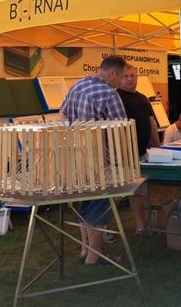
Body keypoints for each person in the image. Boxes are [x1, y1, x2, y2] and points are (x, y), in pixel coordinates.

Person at [60, 55, 127, 265]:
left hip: (76, 158)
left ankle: (85, 250)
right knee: (99, 204)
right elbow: (121, 127)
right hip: (99, 158)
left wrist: (73, 136)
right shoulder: (109, 93)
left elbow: (63, 114)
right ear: (112, 73)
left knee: (84, 202)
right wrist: (123, 159)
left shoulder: (77, 86)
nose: (121, 82)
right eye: (121, 77)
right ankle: (94, 256)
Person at [117, 65, 160, 235]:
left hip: (141, 153)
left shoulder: (142, 98)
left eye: (132, 75)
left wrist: (157, 146)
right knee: (113, 195)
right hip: (122, 155)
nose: (130, 79)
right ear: (119, 78)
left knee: (139, 191)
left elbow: (151, 123)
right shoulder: (116, 98)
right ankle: (104, 230)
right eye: (126, 76)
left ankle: (141, 227)